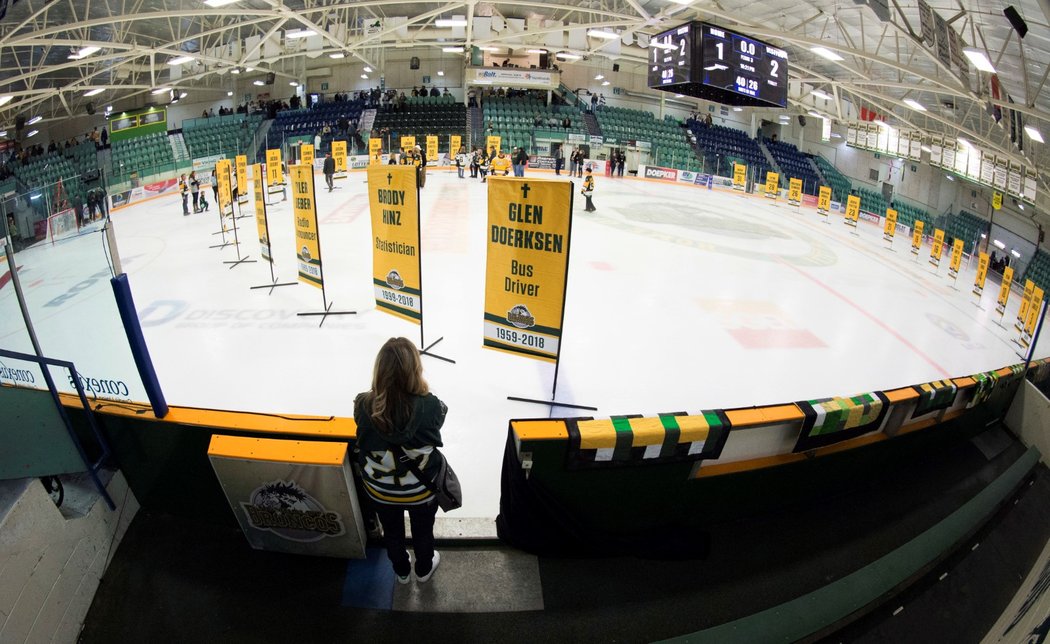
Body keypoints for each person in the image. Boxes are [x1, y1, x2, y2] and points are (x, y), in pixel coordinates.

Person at [354, 337, 447, 584]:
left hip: (380, 491)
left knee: (392, 533)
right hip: (421, 490)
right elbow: (439, 418)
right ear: (414, 369)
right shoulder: (431, 406)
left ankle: (402, 572)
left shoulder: (362, 404)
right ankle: (424, 569)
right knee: (423, 532)